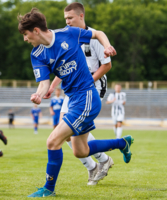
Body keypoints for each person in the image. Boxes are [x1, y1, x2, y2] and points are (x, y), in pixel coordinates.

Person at [18, 8, 134, 197]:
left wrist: (107, 46)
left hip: (87, 96)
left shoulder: (68, 33)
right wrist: (39, 94)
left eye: (25, 34)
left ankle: (48, 189)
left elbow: (98, 33)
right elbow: (43, 82)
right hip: (73, 99)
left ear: (36, 30)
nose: (24, 38)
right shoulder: (37, 54)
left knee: (53, 141)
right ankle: (122, 143)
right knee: (81, 151)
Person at [44, 2, 114, 186]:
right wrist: (52, 87)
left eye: (70, 18)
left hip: (94, 87)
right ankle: (95, 165)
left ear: (81, 16)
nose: (67, 22)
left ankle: (100, 162)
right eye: (65, 19)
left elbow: (107, 65)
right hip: (74, 89)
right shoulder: (67, 37)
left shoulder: (93, 37)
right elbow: (63, 68)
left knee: (70, 130)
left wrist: (88, 81)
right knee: (64, 132)